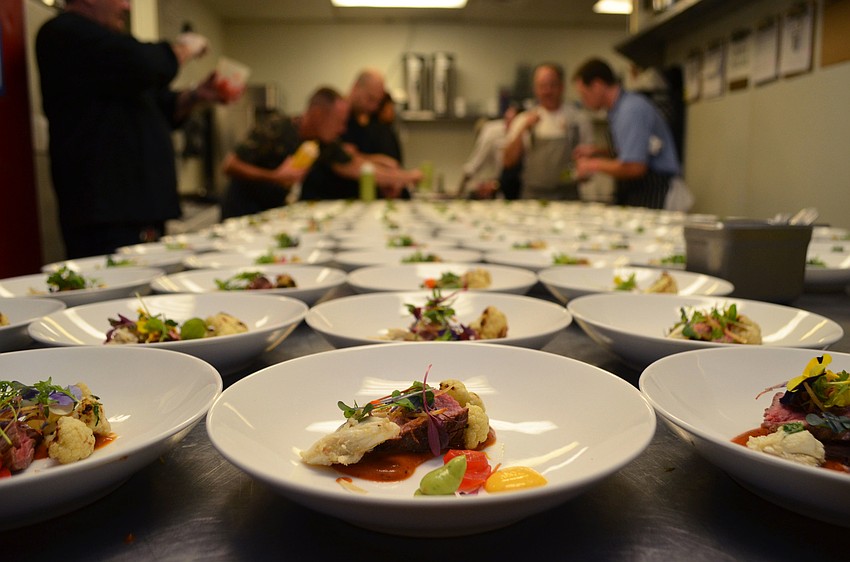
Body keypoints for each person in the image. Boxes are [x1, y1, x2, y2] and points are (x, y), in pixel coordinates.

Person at [36, 0, 223, 258]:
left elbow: (163, 109)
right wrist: (183, 48)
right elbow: (143, 63)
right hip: (106, 216)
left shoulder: (113, 61)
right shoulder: (65, 32)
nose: (127, 7)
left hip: (141, 213)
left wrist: (196, 95)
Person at [222, 87, 420, 210]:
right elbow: (229, 165)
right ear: (317, 114)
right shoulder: (277, 127)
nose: (342, 129)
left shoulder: (323, 143)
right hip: (242, 210)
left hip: (272, 213)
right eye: (339, 121)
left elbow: (357, 167)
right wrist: (275, 176)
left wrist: (404, 177)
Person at [571, 58, 681, 209]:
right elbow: (632, 150)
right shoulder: (618, 110)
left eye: (584, 95)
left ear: (597, 86)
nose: (584, 102)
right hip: (640, 191)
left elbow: (635, 166)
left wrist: (592, 165)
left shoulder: (630, 110)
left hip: (655, 192)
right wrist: (598, 152)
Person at [502, 63, 594, 200]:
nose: (547, 91)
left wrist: (582, 172)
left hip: (568, 197)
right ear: (535, 89)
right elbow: (508, 161)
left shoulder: (578, 120)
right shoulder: (524, 119)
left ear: (561, 87)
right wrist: (523, 129)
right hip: (532, 197)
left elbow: (589, 163)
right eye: (542, 86)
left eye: (552, 85)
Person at [457, 102, 519, 199]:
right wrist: (458, 193)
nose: (506, 126)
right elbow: (473, 166)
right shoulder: (493, 132)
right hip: (502, 191)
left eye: (510, 121)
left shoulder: (526, 135)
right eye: (506, 120)